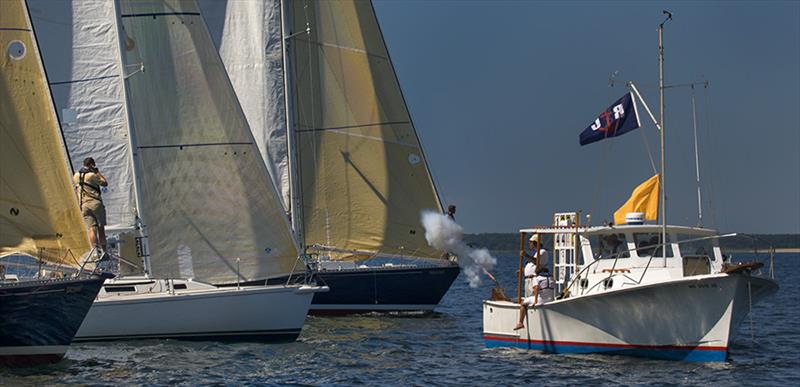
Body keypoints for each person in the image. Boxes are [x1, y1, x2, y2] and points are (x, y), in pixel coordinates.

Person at [73, 157, 108, 252]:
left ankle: (95, 251)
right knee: (101, 228)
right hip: (95, 203)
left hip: (84, 205)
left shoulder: (76, 176)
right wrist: (98, 172)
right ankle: (104, 251)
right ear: (91, 165)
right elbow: (105, 183)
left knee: (92, 229)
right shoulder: (92, 175)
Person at [514, 264, 555, 330]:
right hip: (550, 299)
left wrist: (535, 301)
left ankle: (520, 323)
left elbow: (536, 288)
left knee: (522, 303)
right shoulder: (551, 278)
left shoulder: (536, 278)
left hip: (540, 300)